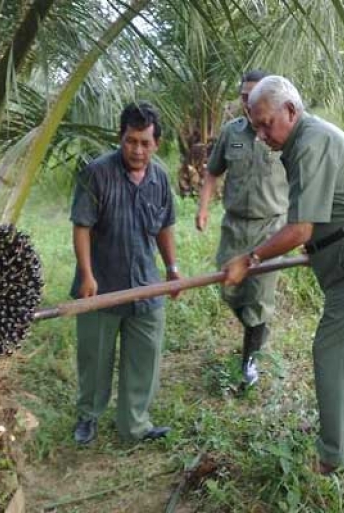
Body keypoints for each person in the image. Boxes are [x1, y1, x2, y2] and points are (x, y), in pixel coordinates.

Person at [223, 75, 344, 473]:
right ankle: (341, 436)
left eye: (267, 123)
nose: (262, 135)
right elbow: (322, 212)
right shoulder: (302, 139)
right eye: (255, 127)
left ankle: (335, 454)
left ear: (290, 110)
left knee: (334, 350)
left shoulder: (309, 141)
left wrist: (249, 258)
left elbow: (300, 227)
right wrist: (319, 238)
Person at [70, 101, 180, 445]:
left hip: (145, 286)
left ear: (156, 144)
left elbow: (164, 227)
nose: (138, 150)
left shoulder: (159, 177)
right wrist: (87, 275)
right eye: (131, 141)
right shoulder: (97, 173)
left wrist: (172, 269)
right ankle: (88, 416)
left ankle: (135, 424)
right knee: (95, 359)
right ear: (121, 138)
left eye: (145, 143)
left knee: (143, 359)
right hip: (102, 288)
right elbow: (82, 227)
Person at [196, 70, 289, 387]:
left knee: (259, 300)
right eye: (244, 95)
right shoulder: (230, 133)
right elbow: (212, 172)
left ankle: (250, 358)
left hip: (270, 228)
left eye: (255, 94)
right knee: (229, 287)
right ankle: (253, 327)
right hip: (234, 227)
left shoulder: (280, 132)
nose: (248, 100)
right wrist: (204, 207)